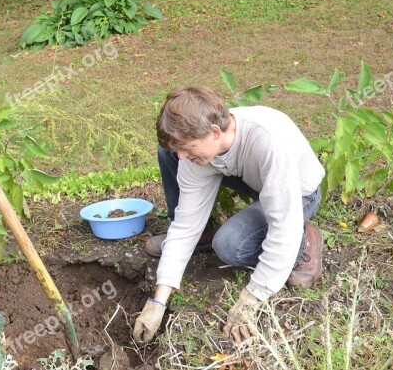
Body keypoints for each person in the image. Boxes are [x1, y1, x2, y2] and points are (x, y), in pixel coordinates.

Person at [132, 87, 325, 345]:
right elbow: (185, 225)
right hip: (258, 182)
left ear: (214, 132)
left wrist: (252, 297)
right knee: (167, 152)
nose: (182, 157)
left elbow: (282, 227)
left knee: (230, 245)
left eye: (188, 147)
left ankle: (305, 237)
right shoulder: (204, 146)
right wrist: (157, 301)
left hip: (299, 193)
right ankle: (210, 233)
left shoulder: (269, 142)